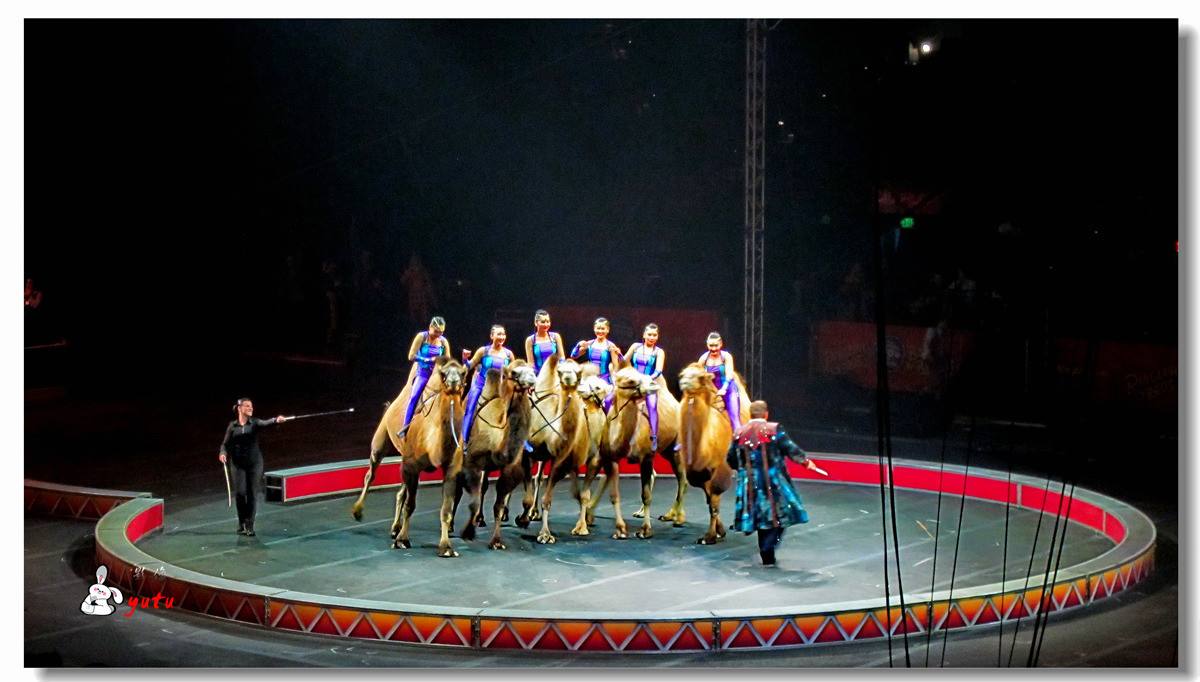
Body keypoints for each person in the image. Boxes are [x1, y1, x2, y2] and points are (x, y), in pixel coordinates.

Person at [725, 400, 822, 566]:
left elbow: (731, 458)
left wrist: (744, 471)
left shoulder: (739, 433)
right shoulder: (774, 429)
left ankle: (766, 551)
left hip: (749, 484)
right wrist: (805, 462)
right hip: (772, 482)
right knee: (781, 514)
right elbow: (789, 448)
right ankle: (767, 548)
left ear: (750, 415)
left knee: (762, 518)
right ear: (766, 414)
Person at [218, 398, 291, 536]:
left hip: (254, 464)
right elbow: (225, 444)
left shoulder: (255, 423)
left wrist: (276, 420)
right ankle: (241, 522)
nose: (250, 408)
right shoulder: (232, 426)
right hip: (237, 465)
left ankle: (249, 524)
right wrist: (222, 453)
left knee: (252, 493)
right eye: (247, 406)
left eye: (251, 406)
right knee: (240, 493)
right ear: (239, 408)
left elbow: (266, 423)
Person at [461, 324, 516, 449]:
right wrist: (464, 359)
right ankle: (464, 441)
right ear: (492, 336)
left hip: (500, 389)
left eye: (503, 334)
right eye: (499, 334)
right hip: (481, 385)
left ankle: (520, 441)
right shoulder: (483, 351)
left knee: (516, 407)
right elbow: (470, 365)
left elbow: (513, 373)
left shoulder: (509, 354)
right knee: (470, 408)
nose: (502, 337)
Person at [399, 317, 452, 434]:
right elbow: (411, 356)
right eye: (436, 331)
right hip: (424, 372)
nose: (438, 334)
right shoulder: (422, 337)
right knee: (414, 396)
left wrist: (442, 361)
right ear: (430, 327)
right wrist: (427, 360)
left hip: (438, 373)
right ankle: (405, 426)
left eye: (441, 332)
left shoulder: (443, 341)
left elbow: (447, 358)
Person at [625, 323, 666, 451]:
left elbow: (658, 370)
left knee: (652, 406)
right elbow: (624, 361)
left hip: (648, 383)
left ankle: (654, 436)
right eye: (649, 334)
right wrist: (618, 355)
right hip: (634, 383)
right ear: (644, 335)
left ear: (657, 336)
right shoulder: (635, 347)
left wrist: (648, 378)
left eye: (654, 335)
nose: (652, 337)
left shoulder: (659, 352)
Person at [570, 317, 624, 410]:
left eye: (603, 329)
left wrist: (619, 355)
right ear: (594, 329)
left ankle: (607, 418)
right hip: (589, 379)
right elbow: (574, 356)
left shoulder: (610, 346)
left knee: (607, 402)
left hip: (605, 379)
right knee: (578, 400)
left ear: (607, 330)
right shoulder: (589, 344)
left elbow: (616, 366)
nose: (600, 331)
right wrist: (578, 346)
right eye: (598, 328)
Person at [699, 332, 743, 433]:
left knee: (735, 418)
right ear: (707, 344)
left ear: (721, 344)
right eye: (711, 345)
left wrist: (723, 389)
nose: (713, 348)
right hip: (711, 392)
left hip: (728, 390)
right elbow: (699, 375)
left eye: (716, 345)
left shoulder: (726, 357)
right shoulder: (703, 359)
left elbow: (729, 374)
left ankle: (738, 437)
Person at [524, 309, 566, 377]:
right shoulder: (530, 340)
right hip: (539, 376)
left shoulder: (555, 337)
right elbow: (531, 363)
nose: (546, 324)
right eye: (543, 322)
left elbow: (562, 358)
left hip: (555, 375)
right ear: (536, 323)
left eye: (548, 321)